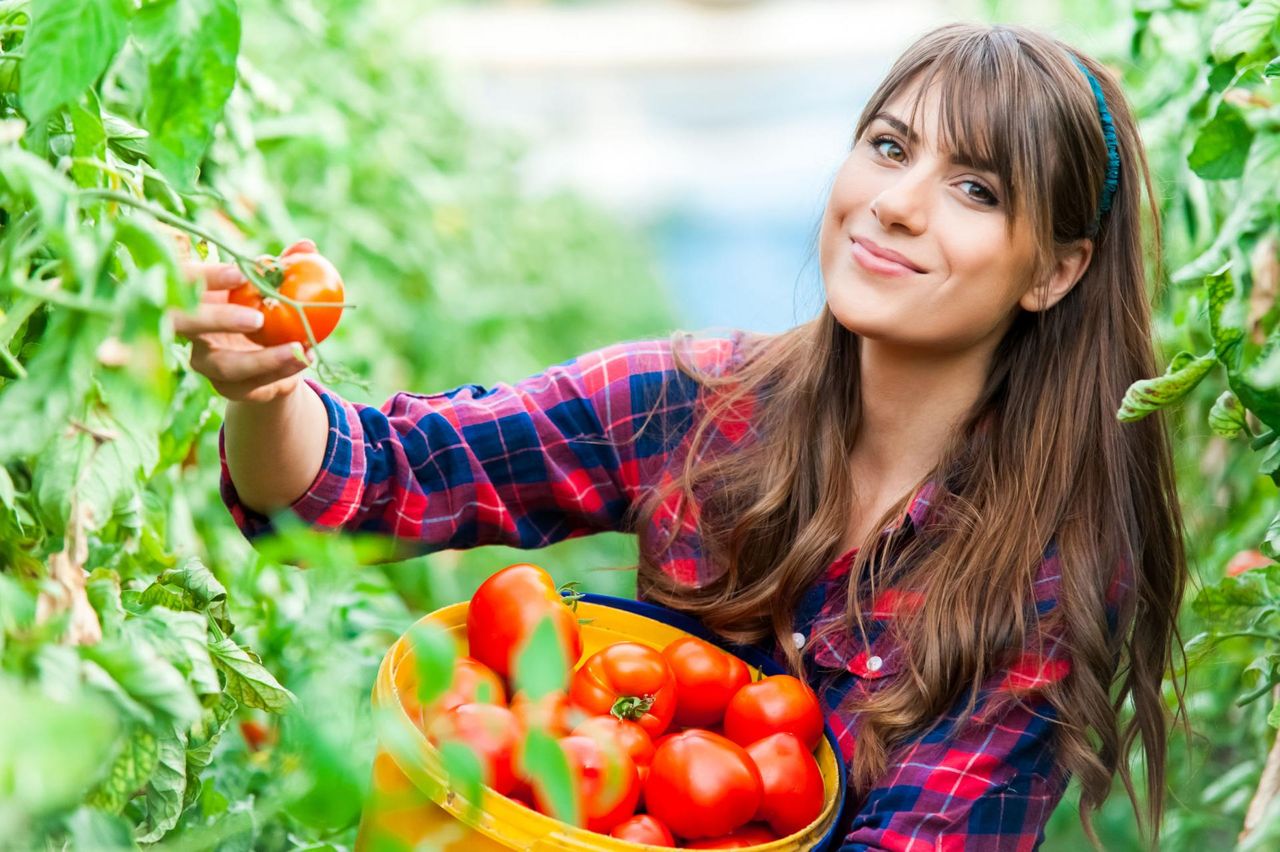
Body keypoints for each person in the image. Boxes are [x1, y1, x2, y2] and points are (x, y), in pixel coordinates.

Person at [174, 21, 1185, 851]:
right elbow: (370, 484)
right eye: (887, 146)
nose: (896, 205)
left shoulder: (1042, 568)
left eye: (975, 190)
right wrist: (269, 389)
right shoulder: (692, 401)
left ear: (1053, 271)